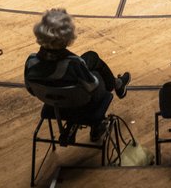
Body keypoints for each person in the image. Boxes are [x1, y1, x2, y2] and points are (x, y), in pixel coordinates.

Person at [24, 8, 130, 141]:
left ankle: (117, 84)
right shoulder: (74, 63)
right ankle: (116, 86)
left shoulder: (31, 61)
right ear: (66, 37)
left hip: (53, 105)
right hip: (82, 104)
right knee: (95, 72)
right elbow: (92, 87)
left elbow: (31, 90)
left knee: (90, 58)